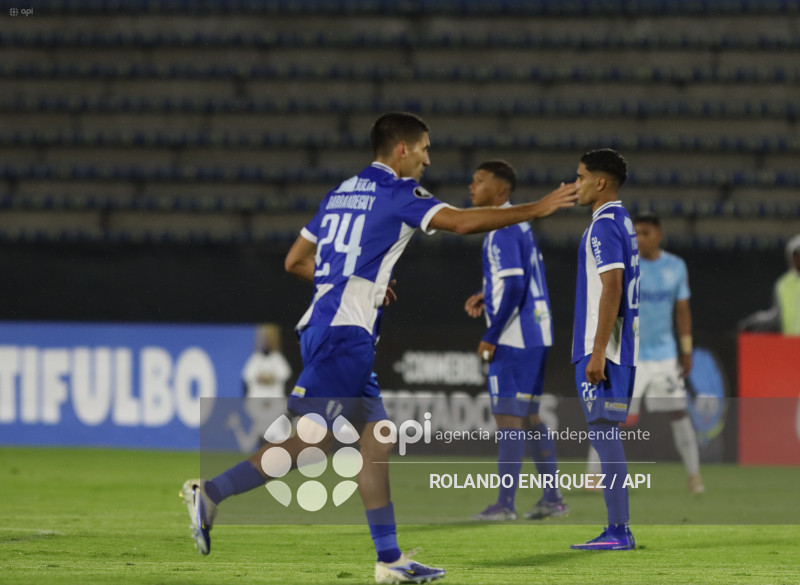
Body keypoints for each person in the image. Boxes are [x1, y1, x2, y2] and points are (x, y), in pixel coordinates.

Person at [179, 112, 579, 583]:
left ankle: (389, 561)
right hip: (344, 334)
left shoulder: (340, 192)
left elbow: (295, 261)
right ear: (403, 149)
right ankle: (211, 492)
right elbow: (462, 223)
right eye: (426, 148)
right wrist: (538, 207)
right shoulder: (400, 193)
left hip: (333, 327)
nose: (430, 159)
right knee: (314, 439)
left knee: (377, 439)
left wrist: (359, 283)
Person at [463, 160, 568, 522]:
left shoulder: (503, 227)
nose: (471, 187)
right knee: (530, 416)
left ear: (502, 190)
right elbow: (517, 279)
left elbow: (517, 285)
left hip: (515, 336)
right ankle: (552, 500)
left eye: (479, 181)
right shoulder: (517, 224)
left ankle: (505, 506)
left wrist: (491, 334)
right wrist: (486, 293)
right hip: (536, 331)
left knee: (508, 418)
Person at [587, 213, 704, 493]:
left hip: (664, 355)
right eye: (635, 233)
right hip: (629, 353)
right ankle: (593, 475)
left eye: (645, 233)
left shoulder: (675, 266)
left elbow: (682, 311)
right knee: (611, 415)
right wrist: (608, 349)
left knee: (679, 413)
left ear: (659, 235)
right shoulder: (624, 266)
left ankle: (694, 476)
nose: (639, 238)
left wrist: (686, 351)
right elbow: (611, 307)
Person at [569, 149, 639, 551]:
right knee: (605, 434)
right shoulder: (622, 222)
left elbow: (612, 286)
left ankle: (618, 531)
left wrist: (597, 351)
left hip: (605, 348)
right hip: (620, 344)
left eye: (580, 177)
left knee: (604, 434)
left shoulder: (603, 226)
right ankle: (618, 529)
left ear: (600, 182)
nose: (575, 185)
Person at [738, 234, 800, 335]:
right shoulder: (784, 283)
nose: (796, 260)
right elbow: (777, 316)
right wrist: (756, 321)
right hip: (791, 345)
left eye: (799, 255)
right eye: (794, 256)